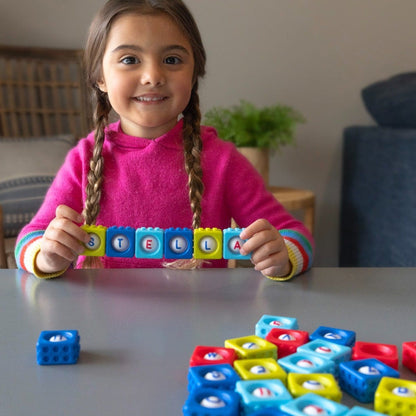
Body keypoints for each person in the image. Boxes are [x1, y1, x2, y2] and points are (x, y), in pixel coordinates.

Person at [15, 0, 314, 280]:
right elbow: (29, 241)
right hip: (98, 323)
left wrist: (282, 255)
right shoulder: (83, 158)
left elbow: (295, 235)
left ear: (194, 73)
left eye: (172, 59)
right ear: (100, 77)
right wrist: (47, 257)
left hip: (198, 323)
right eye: (130, 59)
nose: (152, 76)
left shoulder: (222, 160)